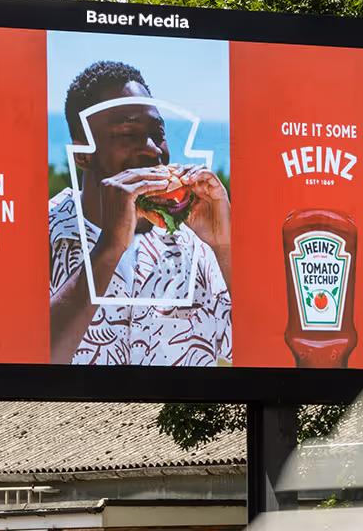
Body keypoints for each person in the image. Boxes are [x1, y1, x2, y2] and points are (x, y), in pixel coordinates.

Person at [48, 61, 232, 366]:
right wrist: (110, 246)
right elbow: (20, 363)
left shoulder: (197, 248)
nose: (153, 150)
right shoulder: (37, 232)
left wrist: (225, 248)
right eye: (126, 134)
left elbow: (269, 358)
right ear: (82, 155)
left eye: (157, 133)